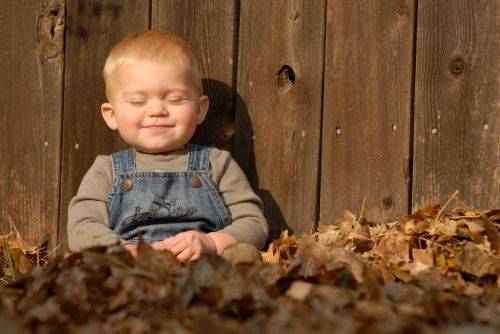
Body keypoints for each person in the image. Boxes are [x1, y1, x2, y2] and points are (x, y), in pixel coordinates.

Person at [67, 30, 268, 261]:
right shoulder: (107, 170)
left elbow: (253, 223)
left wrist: (212, 242)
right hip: (129, 274)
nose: (157, 111)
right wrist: (115, 250)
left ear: (200, 109)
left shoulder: (216, 164)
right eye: (138, 101)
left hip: (204, 272)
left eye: (174, 99)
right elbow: (81, 225)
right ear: (111, 115)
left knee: (244, 257)